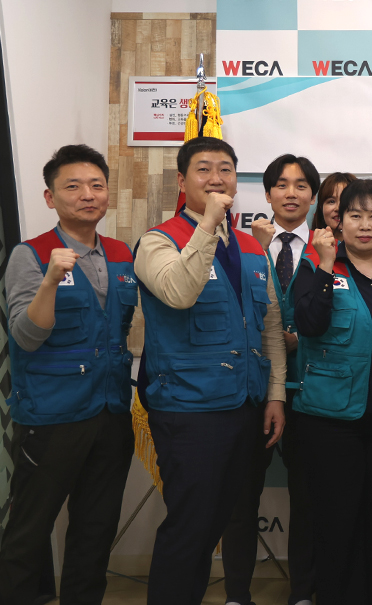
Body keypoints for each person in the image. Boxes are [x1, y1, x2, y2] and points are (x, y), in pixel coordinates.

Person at [134, 136, 288, 605]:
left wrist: (276, 394)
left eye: (226, 169)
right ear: (183, 182)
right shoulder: (157, 240)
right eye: (204, 169)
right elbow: (179, 292)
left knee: (221, 521)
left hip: (245, 405)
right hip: (189, 410)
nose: (216, 178)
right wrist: (206, 226)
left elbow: (271, 326)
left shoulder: (251, 247)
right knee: (191, 528)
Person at [0, 145, 137, 605]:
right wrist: (50, 281)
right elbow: (25, 337)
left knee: (95, 533)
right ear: (50, 197)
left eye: (97, 185)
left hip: (111, 413)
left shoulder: (121, 254)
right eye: (73, 186)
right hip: (52, 418)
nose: (87, 195)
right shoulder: (31, 255)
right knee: (28, 533)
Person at [290, 179, 372, 604]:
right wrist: (327, 265)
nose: (365, 225)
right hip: (330, 422)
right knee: (337, 526)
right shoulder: (315, 265)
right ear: (338, 221)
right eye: (355, 215)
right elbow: (308, 325)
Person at [221, 154, 320, 605]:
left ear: (313, 196)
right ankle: (236, 593)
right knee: (242, 498)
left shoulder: (330, 248)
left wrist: (303, 338)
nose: (291, 193)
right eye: (281, 184)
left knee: (309, 499)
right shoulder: (242, 247)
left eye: (301, 185)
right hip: (255, 390)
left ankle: (303, 592)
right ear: (266, 194)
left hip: (316, 392)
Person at [311, 171, 357, 239]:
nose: (338, 208)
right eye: (331, 201)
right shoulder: (308, 242)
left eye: (346, 201)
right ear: (321, 207)